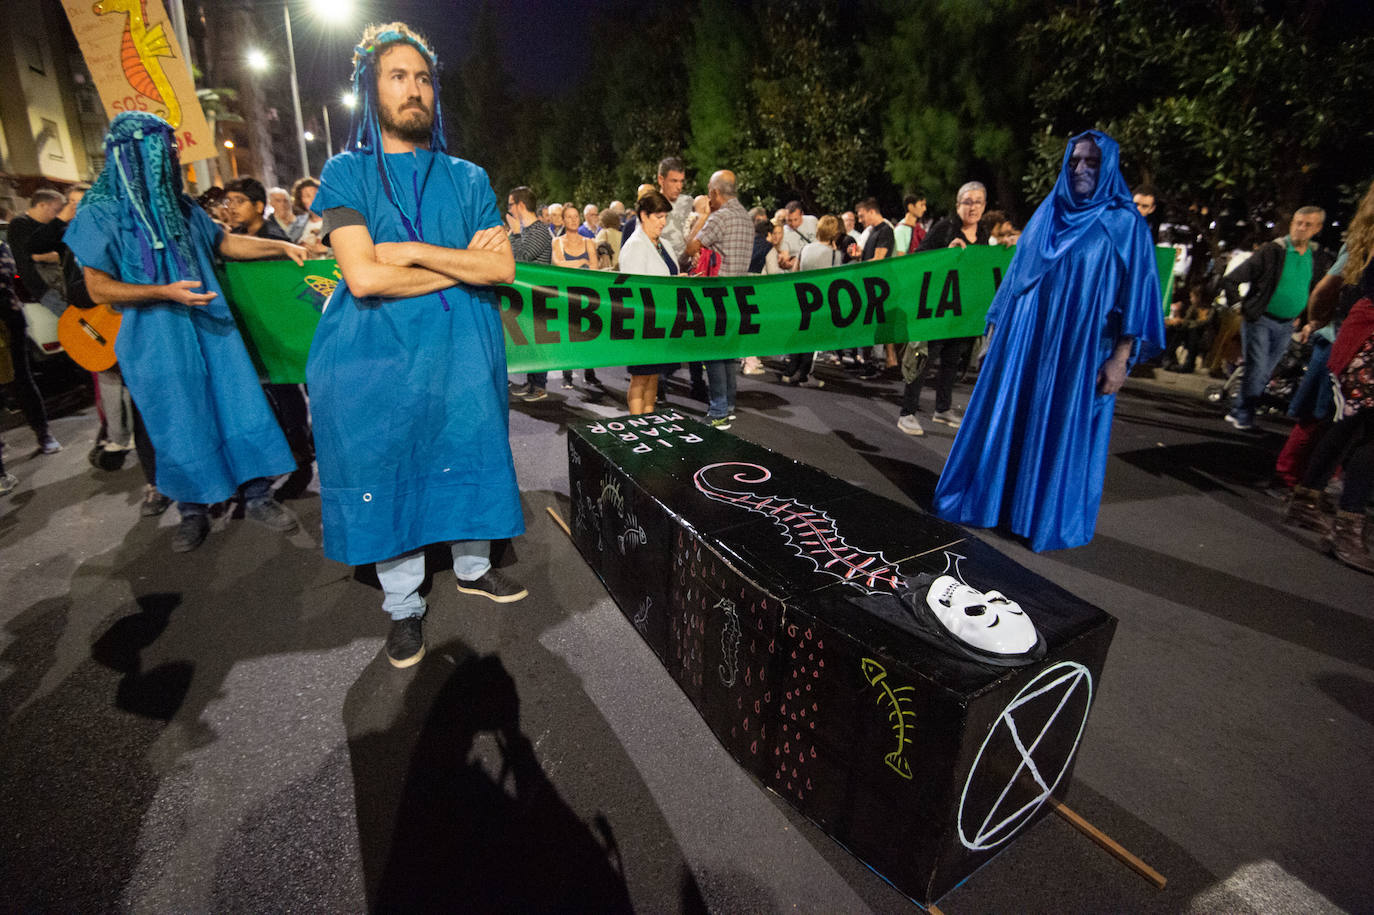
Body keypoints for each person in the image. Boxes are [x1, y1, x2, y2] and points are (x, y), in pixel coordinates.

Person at [307, 22, 525, 668]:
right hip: (378, 356)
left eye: (424, 79)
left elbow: (504, 270)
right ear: (371, 88)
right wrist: (461, 263)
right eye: (397, 77)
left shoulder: (470, 177)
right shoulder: (346, 172)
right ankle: (403, 604)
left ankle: (473, 565)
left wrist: (415, 252)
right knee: (391, 465)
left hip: (463, 351)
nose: (414, 90)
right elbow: (363, 275)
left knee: (470, 446)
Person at [65, 111, 305, 553]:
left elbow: (224, 243)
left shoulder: (184, 207)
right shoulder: (100, 213)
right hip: (155, 342)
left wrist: (282, 244)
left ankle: (257, 496)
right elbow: (98, 287)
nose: (172, 159)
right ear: (134, 153)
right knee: (178, 424)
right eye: (164, 150)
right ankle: (192, 511)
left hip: (214, 332)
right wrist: (164, 292)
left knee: (240, 410)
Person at [933, 130, 1165, 552]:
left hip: (1081, 350)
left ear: (1108, 166)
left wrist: (1122, 356)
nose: (1080, 169)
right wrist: (997, 336)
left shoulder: (1125, 224)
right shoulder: (1047, 213)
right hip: (1025, 344)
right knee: (1010, 418)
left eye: (1091, 162)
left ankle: (1037, 515)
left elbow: (1138, 296)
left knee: (1060, 426)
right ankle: (994, 503)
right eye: (1074, 161)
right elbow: (1016, 280)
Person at [1286, 222, 1374, 573]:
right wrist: (1318, 321)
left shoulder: (1365, 237)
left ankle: (1306, 500)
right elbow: (1326, 288)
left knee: (1348, 426)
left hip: (1359, 334)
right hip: (1368, 339)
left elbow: (1327, 288)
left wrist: (1320, 318)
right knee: (1366, 431)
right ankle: (1347, 526)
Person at [1221, 206, 1333, 430]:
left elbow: (1316, 290)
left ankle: (1240, 410)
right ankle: (1244, 415)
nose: (1300, 228)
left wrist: (1307, 318)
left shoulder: (1318, 256)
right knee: (1258, 368)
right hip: (1260, 319)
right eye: (1297, 222)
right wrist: (1238, 306)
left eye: (1307, 224)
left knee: (1264, 371)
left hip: (1287, 323)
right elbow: (1232, 279)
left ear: (1317, 228)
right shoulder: (1273, 251)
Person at [897, 183, 991, 433]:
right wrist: (945, 254)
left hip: (962, 312)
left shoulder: (983, 233)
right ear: (958, 205)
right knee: (924, 359)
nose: (973, 207)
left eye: (979, 202)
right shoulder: (943, 228)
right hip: (937, 309)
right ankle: (907, 412)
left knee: (952, 360)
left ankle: (943, 408)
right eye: (968, 202)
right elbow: (921, 257)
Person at [4, 188, 74, 454]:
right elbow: (27, 260)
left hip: (19, 311)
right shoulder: (20, 226)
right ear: (44, 206)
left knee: (21, 376)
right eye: (57, 211)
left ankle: (43, 434)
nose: (58, 216)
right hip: (43, 293)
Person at [684, 169, 753, 429]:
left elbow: (691, 247)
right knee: (728, 354)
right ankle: (729, 405)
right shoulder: (746, 217)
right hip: (739, 295)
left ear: (714, 193)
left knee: (713, 354)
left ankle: (718, 411)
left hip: (716, 295)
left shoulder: (719, 217)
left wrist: (703, 216)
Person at [618, 191, 680, 413]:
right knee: (640, 377)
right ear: (643, 216)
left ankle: (649, 420)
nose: (663, 223)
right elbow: (634, 289)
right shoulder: (635, 245)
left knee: (653, 375)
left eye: (665, 217)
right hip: (642, 323)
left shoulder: (663, 244)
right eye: (659, 217)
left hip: (660, 321)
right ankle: (636, 426)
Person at [780, 214, 843, 388]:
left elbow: (795, 272)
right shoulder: (834, 255)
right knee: (813, 338)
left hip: (802, 296)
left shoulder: (806, 248)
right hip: (820, 299)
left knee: (800, 333)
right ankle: (804, 374)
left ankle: (790, 370)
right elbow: (836, 281)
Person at [505, 186, 555, 403]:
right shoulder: (528, 229)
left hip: (539, 295)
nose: (508, 209)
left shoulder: (540, 230)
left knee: (538, 341)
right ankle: (532, 381)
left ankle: (540, 385)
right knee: (529, 340)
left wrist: (515, 234)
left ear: (521, 205)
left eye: (510, 204)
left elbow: (522, 258)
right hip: (526, 296)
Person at [550, 204, 600, 389]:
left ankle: (590, 371)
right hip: (566, 295)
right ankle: (567, 375)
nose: (573, 220)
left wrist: (578, 265)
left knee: (588, 334)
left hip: (587, 296)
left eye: (576, 216)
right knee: (568, 335)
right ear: (563, 220)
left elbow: (594, 268)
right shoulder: (557, 242)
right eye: (569, 217)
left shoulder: (589, 242)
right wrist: (581, 262)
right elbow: (559, 265)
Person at [289, 177, 329, 255]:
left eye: (316, 194)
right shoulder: (296, 223)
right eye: (307, 196)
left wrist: (327, 249)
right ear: (301, 200)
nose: (313, 199)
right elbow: (287, 245)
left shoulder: (337, 219)